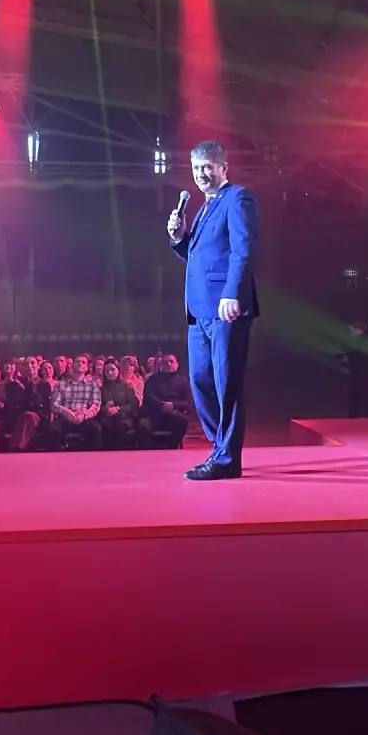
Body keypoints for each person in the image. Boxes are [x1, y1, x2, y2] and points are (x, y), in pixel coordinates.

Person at [166, 140, 259, 481]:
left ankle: (226, 459)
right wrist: (180, 238)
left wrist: (232, 293)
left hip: (225, 308)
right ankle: (220, 447)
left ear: (223, 167)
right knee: (200, 380)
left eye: (207, 167)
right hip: (198, 310)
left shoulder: (238, 198)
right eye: (196, 168)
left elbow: (243, 249)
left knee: (226, 383)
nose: (201, 174)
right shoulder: (204, 208)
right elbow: (197, 258)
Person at [51, 354, 102, 450]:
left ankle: (92, 456)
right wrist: (67, 412)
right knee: (53, 430)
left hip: (85, 418)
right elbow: (54, 404)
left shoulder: (93, 385)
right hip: (66, 417)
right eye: (77, 361)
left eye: (83, 362)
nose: (80, 363)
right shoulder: (60, 384)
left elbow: (96, 405)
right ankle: (58, 456)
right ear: (72, 365)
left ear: (87, 367)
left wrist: (84, 415)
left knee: (96, 429)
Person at [139, 353, 190, 449]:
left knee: (181, 422)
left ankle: (172, 450)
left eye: (171, 362)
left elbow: (189, 402)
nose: (169, 364)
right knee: (143, 425)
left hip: (174, 413)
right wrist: (161, 404)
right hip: (155, 414)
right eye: (165, 362)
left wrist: (173, 405)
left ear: (177, 364)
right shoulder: (153, 379)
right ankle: (148, 453)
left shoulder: (183, 382)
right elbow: (148, 396)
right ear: (161, 365)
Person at [98, 359, 140, 449]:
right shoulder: (101, 389)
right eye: (107, 370)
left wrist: (118, 409)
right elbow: (98, 406)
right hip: (107, 418)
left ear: (118, 370)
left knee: (119, 427)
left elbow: (134, 404)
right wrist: (106, 409)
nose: (110, 373)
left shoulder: (127, 386)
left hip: (124, 419)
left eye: (112, 370)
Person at [343, 320, 368, 418]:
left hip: (361, 376)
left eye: (351, 330)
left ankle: (358, 420)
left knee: (359, 402)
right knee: (367, 402)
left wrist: (348, 358)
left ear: (358, 330)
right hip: (366, 376)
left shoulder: (361, 342)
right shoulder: (367, 341)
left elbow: (361, 359)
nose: (350, 332)